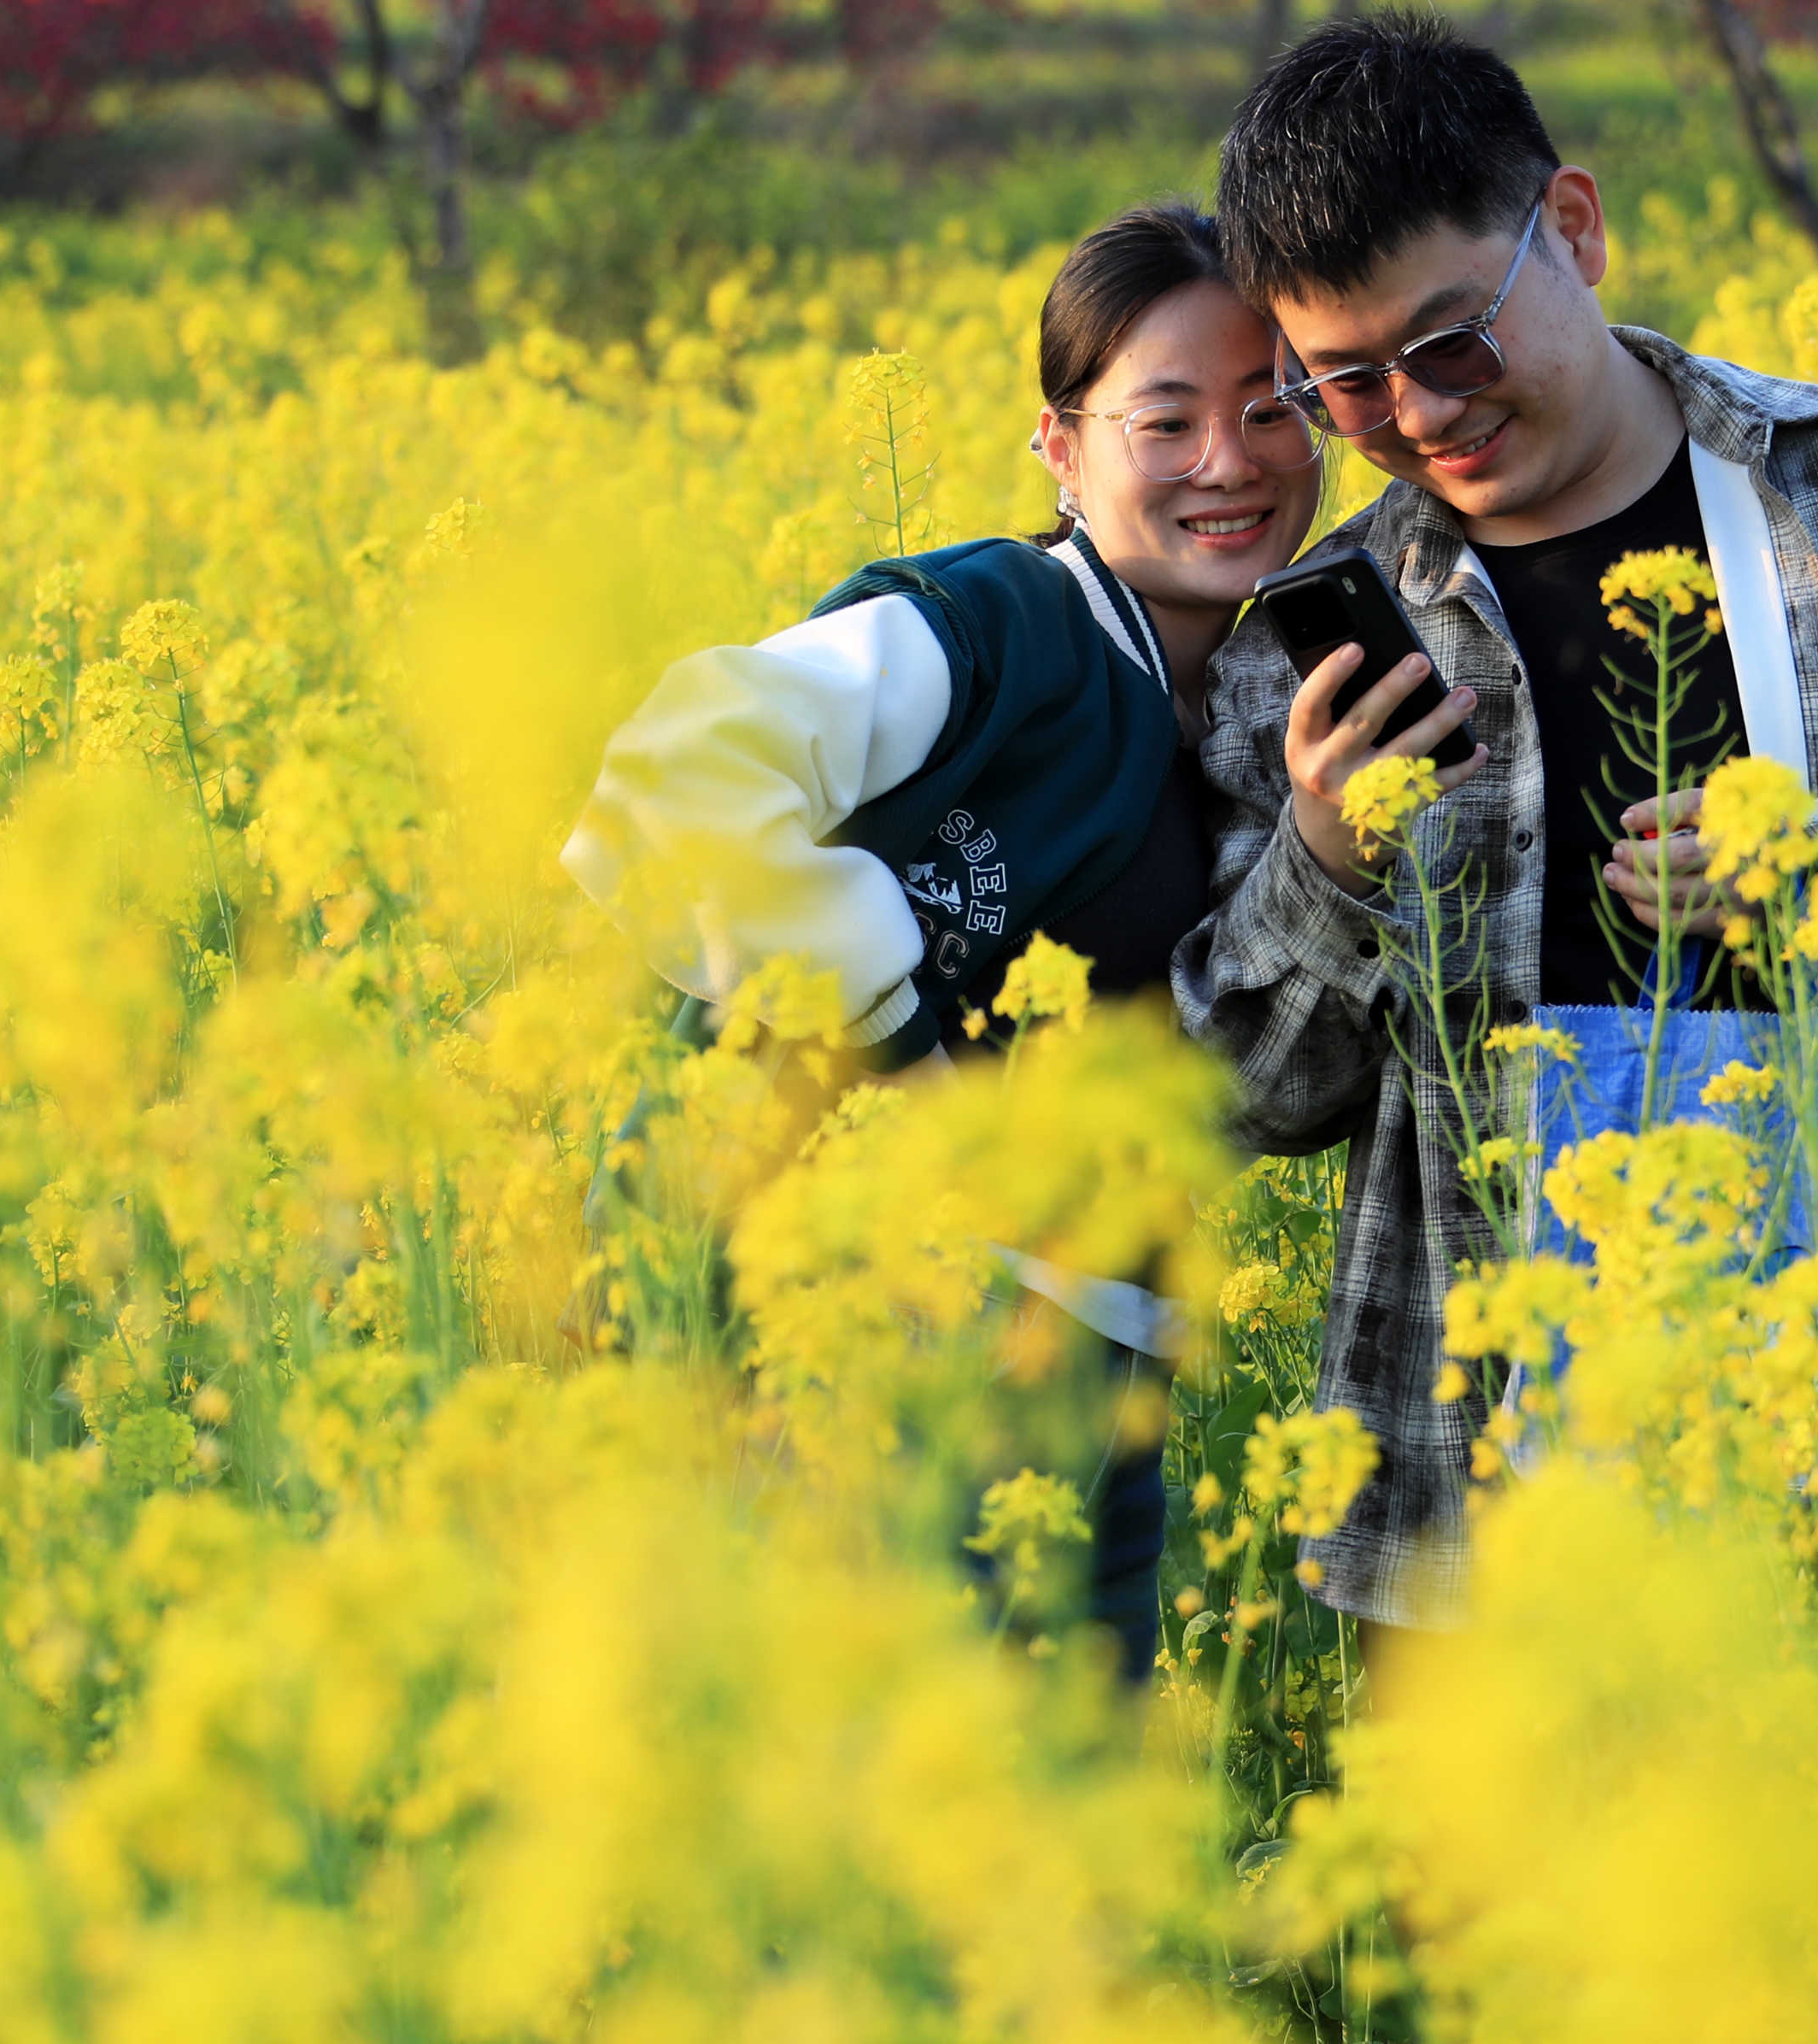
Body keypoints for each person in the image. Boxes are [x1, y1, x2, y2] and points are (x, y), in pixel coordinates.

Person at [1176, 11, 1818, 1633]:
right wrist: (1327, 862)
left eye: (1450, 344)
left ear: (1572, 229)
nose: (1418, 415)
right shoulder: (1324, 644)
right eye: (1343, 386)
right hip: (1486, 1498)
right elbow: (1250, 1099)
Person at [561, 203, 1325, 1678]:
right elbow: (679, 773)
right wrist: (896, 1048)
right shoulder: (1001, 622)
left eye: (1271, 406)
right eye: (1166, 421)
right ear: (1061, 449)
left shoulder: (1263, 696)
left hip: (1089, 1347)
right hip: (851, 1331)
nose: (1230, 461)